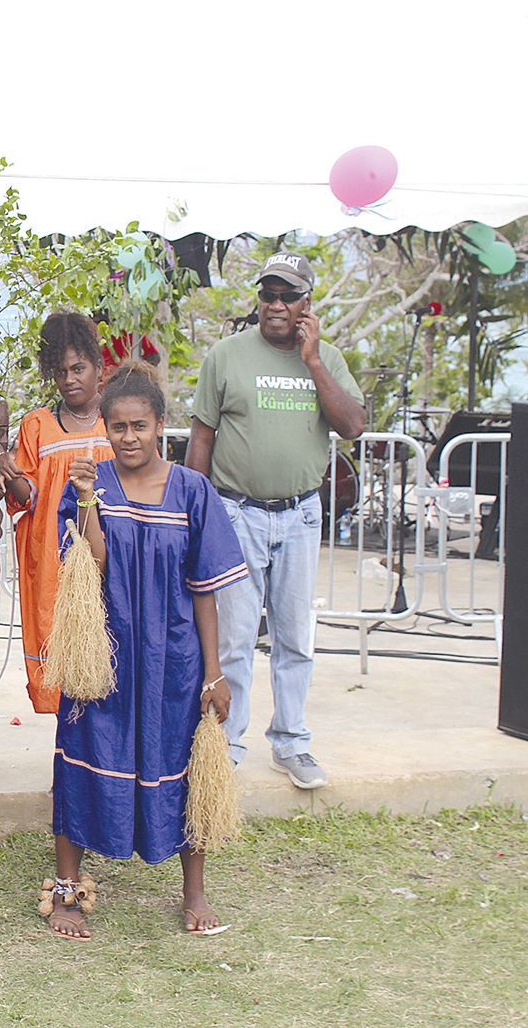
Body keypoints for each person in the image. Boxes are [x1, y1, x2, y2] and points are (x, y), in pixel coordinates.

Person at [44, 366, 248, 941]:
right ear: (104, 429)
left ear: (161, 424)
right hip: (102, 655)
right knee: (80, 758)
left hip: (174, 659)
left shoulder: (192, 490)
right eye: (117, 428)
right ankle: (66, 892)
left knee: (186, 765)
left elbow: (205, 588)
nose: (128, 437)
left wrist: (214, 673)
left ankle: (195, 892)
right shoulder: (92, 483)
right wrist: (85, 500)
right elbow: (94, 562)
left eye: (139, 426)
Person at [185, 251, 365, 789]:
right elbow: (201, 438)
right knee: (236, 638)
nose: (276, 305)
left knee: (294, 636)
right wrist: (194, 516)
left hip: (301, 515)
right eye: (268, 294)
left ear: (307, 303)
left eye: (288, 295)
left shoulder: (326, 358)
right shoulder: (226, 356)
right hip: (236, 513)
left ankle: (291, 742)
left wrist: (312, 361)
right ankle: (229, 742)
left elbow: (353, 424)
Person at [0, 311, 116, 715]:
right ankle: (70, 760)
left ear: (99, 368)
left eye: (78, 368)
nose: (70, 379)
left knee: (114, 644)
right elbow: (27, 497)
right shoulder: (37, 425)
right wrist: (9, 471)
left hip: (113, 556)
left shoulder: (118, 421)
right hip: (55, 561)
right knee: (61, 650)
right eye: (61, 371)